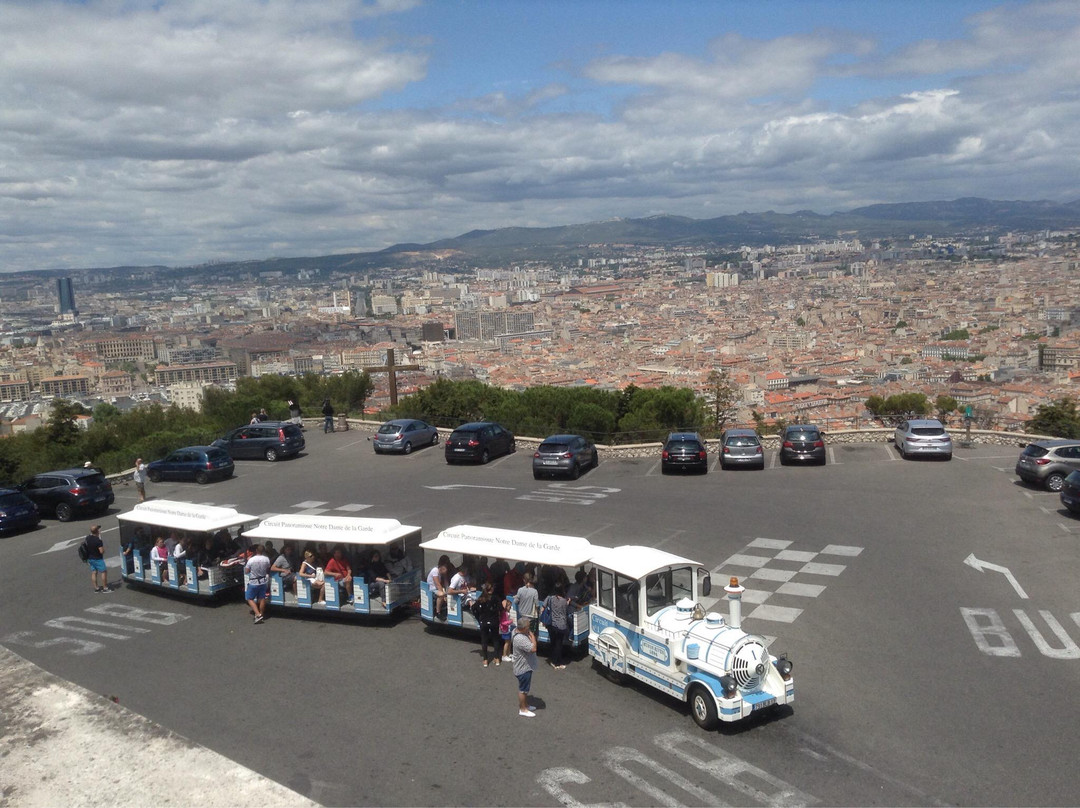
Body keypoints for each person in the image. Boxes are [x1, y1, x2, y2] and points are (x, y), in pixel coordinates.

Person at [512, 616, 539, 717]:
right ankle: (522, 709)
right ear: (523, 628)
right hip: (523, 668)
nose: (529, 629)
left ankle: (525, 705)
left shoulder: (516, 631)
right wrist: (533, 639)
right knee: (523, 690)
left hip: (525, 666)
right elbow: (533, 649)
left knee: (526, 689)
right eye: (528, 627)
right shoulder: (520, 639)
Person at [542, 581, 572, 670]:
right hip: (561, 625)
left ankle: (553, 660)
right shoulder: (563, 601)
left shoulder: (550, 598)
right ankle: (557, 663)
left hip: (551, 624)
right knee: (558, 644)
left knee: (553, 643)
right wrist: (568, 602)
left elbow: (543, 607)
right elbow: (566, 609)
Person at [471, 583, 502, 667]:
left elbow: (473, 608)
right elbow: (501, 608)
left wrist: (479, 619)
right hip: (494, 621)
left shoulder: (480, 598)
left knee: (484, 640)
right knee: (495, 639)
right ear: (491, 589)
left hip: (483, 622)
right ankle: (497, 658)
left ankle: (485, 659)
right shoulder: (496, 598)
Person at [244, 544, 271, 624]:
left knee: (249, 598)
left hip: (254, 581)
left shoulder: (251, 560)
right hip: (263, 581)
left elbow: (246, 571)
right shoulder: (266, 559)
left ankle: (258, 614)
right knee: (262, 598)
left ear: (256, 550)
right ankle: (261, 614)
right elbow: (267, 568)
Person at [84, 524, 111, 593]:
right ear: (97, 531)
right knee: (103, 572)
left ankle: (96, 588)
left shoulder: (88, 538)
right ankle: (105, 588)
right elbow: (101, 551)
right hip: (98, 559)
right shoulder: (98, 541)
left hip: (90, 558)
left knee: (94, 572)